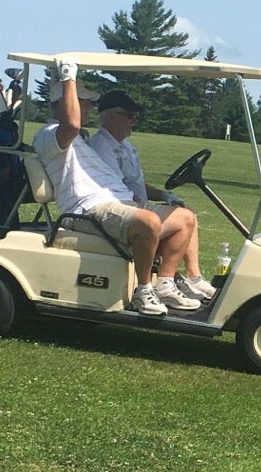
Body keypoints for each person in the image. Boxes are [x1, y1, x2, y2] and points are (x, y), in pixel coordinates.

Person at [31, 59, 195, 316]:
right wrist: (67, 77)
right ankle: (143, 291)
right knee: (149, 222)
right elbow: (71, 124)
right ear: (64, 104)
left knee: (185, 218)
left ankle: (164, 283)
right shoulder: (49, 136)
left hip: (116, 203)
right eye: (83, 102)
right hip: (87, 209)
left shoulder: (79, 140)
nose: (89, 108)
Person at [86, 88, 217, 309]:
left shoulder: (126, 146)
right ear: (109, 116)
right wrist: (144, 205)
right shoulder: (101, 147)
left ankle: (193, 277)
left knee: (186, 212)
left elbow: (136, 182)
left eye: (135, 117)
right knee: (184, 219)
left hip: (134, 204)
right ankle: (165, 284)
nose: (133, 122)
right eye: (128, 116)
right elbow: (116, 187)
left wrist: (164, 195)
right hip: (119, 208)